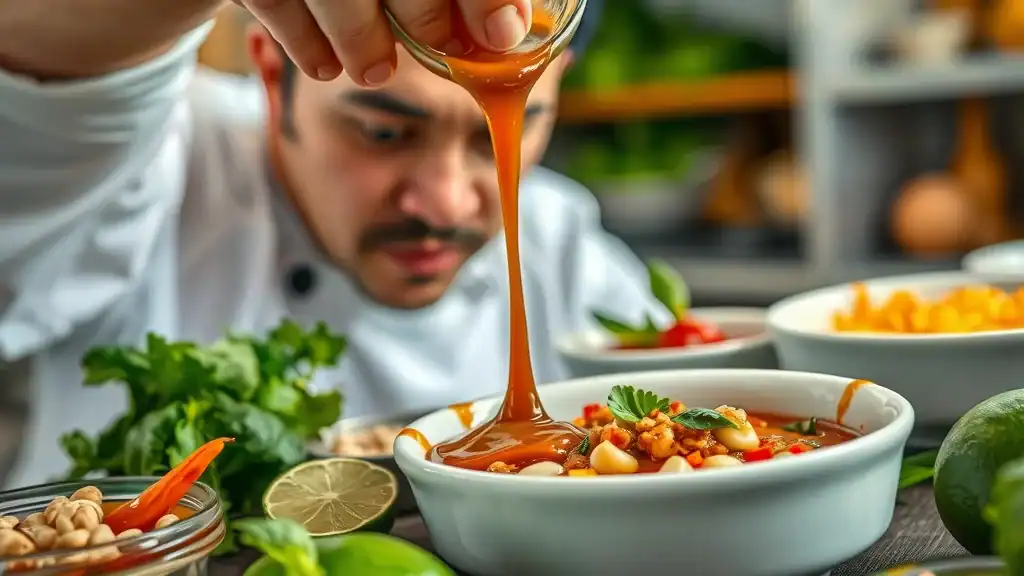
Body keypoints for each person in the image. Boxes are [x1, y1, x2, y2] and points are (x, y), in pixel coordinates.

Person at [0, 0, 666, 488]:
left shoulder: (563, 244)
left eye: (501, 135)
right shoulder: (161, 163)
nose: (446, 202)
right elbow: (48, 106)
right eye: (382, 134)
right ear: (270, 71)